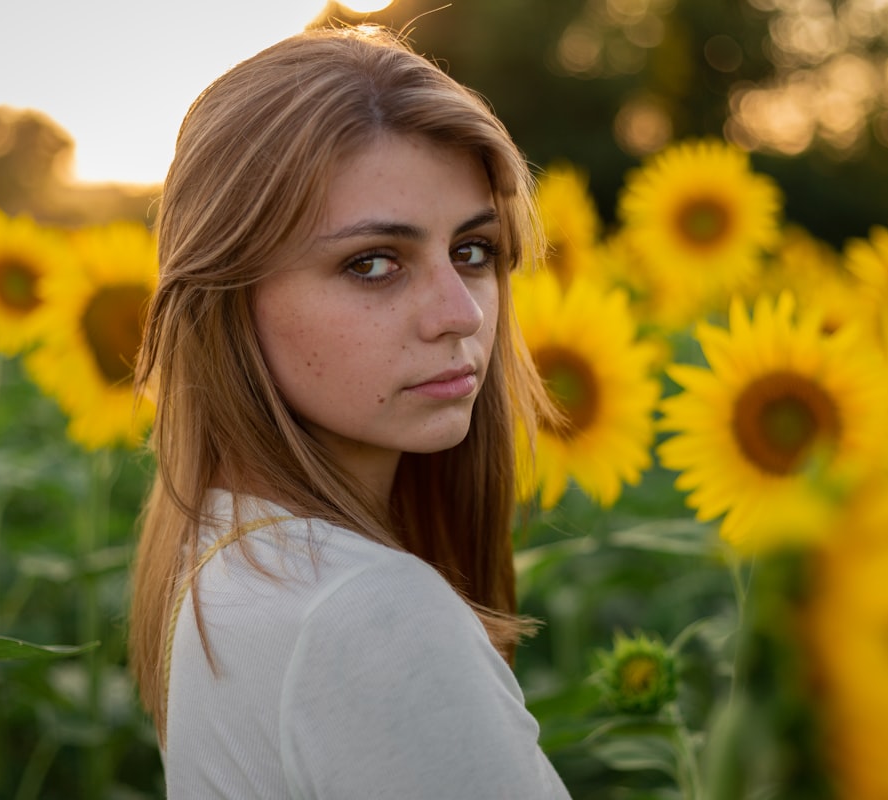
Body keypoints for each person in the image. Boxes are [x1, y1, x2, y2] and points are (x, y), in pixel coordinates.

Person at [129, 24, 571, 799]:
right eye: (372, 264)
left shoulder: (232, 557)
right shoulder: (366, 615)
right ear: (228, 299)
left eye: (472, 251)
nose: (459, 313)